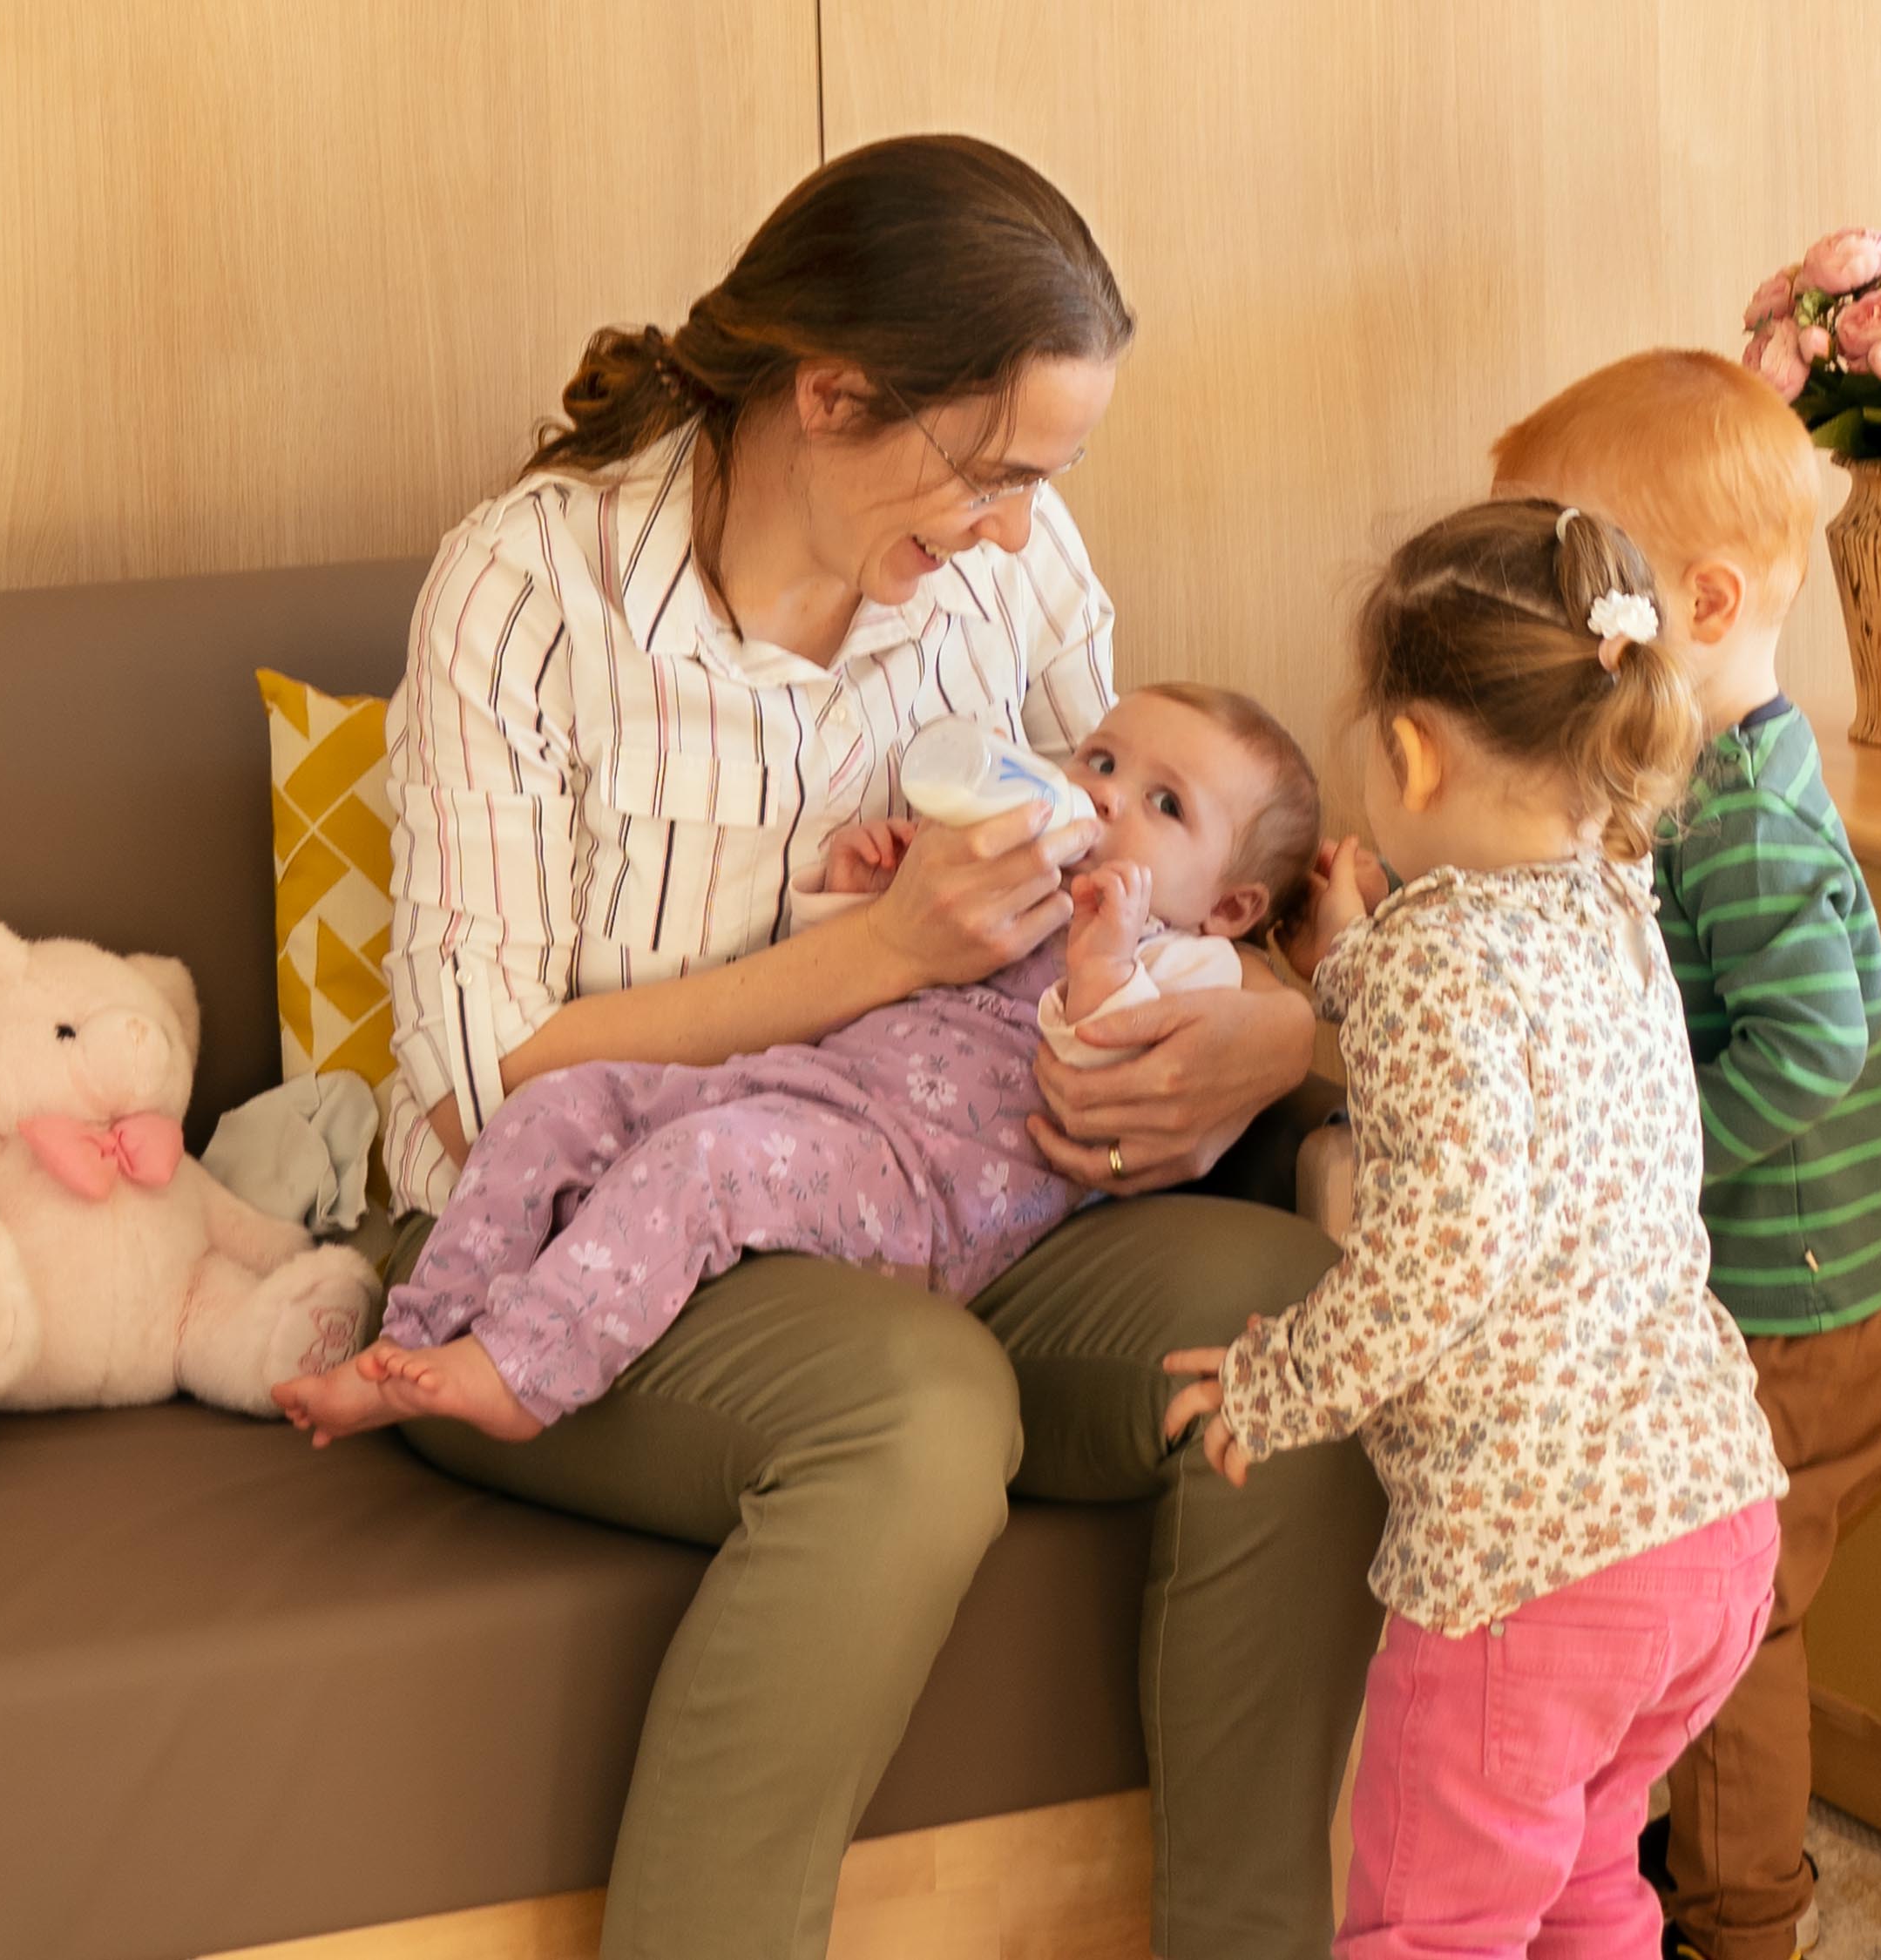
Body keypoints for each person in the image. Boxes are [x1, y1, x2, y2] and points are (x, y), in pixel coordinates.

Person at [364, 132, 1384, 1960]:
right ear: (832, 394)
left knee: (1303, 1333)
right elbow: (488, 1073)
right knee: (916, 1411)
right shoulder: (530, 591)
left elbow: (1185, 866)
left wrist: (1275, 1039)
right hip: (599, 1220)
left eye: (1041, 481)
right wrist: (889, 954)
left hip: (963, 1201)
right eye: (988, 473)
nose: (1012, 529)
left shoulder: (1010, 560)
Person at [1166, 498, 1789, 1957]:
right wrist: (1354, 968)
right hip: (1707, 1530)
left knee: (1434, 1925)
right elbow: (1504, 1062)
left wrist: (1280, 1383)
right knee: (1584, 1880)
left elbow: (1442, 1249)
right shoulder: (1619, 903)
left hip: (1536, 1572)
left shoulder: (1441, 967)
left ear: (1411, 752)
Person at [276, 683, 1318, 1442]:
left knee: (708, 1169)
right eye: (1099, 763)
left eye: (1164, 804)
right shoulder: (1026, 873)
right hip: (802, 1094)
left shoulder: (1186, 962)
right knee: (559, 1103)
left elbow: (1113, 1070)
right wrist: (853, 891)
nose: (1103, 801)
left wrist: (1097, 960)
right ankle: (423, 1332)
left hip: (920, 1189)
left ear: (1229, 907)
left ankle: (522, 1370)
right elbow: (869, 975)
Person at [1495, 351, 1881, 1960]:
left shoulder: (1749, 816)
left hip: (1802, 1331)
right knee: (1702, 1601)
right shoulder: (1714, 774)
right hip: (1767, 1308)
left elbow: (1812, 1045)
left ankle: (1746, 1919)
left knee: (1735, 1618)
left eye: (1579, 605)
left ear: (1704, 599)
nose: (1558, 646)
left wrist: (1641, 1161)